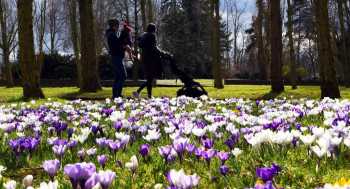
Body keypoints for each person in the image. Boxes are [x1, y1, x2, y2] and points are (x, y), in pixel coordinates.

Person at [134, 23, 162, 98]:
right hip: (151, 59)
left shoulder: (144, 36)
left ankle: (147, 94)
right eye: (155, 29)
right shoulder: (152, 36)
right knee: (150, 78)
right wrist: (162, 53)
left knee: (149, 78)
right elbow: (154, 47)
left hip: (144, 59)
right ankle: (139, 92)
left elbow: (140, 44)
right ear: (153, 29)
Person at [105, 19, 131, 99]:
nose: (118, 26)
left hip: (116, 57)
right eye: (117, 25)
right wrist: (124, 34)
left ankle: (116, 95)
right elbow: (117, 45)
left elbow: (118, 44)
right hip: (116, 57)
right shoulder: (111, 34)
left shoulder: (111, 33)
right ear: (114, 25)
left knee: (118, 76)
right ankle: (117, 95)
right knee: (122, 75)